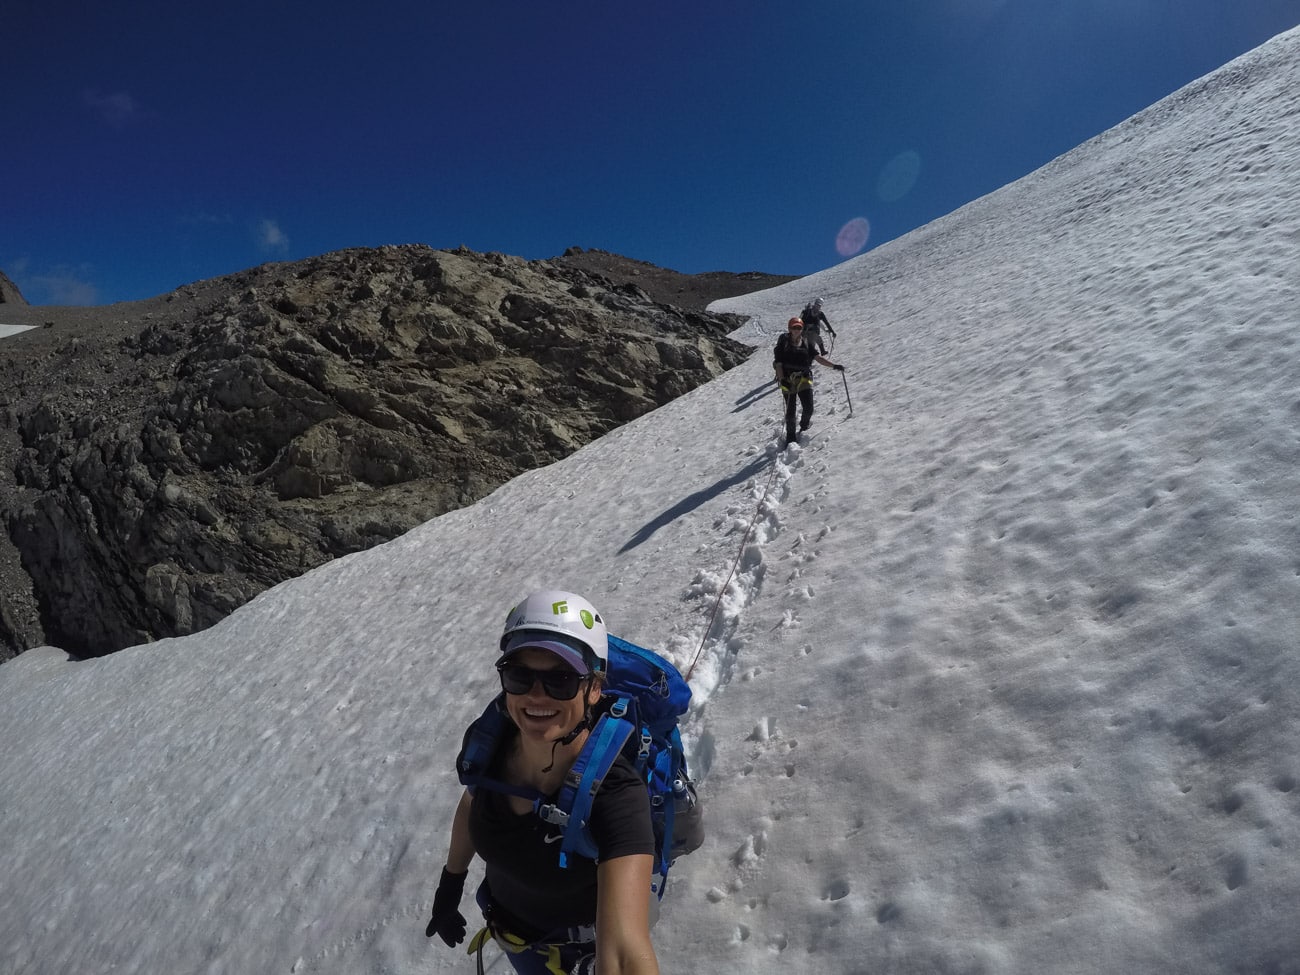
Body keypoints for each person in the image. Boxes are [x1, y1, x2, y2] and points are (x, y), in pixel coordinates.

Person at [426, 590, 661, 975]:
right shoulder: (491, 745)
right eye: (520, 675)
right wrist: (450, 883)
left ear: (595, 688)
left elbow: (623, 952)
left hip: (580, 956)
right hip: (514, 937)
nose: (536, 695)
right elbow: (474, 802)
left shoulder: (617, 795)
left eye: (562, 680)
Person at [774, 317, 844, 446]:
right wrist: (782, 380)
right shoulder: (783, 344)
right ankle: (790, 437)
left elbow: (818, 358)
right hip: (787, 379)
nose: (796, 330)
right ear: (789, 329)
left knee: (809, 408)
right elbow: (778, 364)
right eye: (794, 327)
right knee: (790, 411)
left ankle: (804, 426)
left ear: (802, 328)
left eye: (799, 327)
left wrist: (834, 366)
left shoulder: (806, 343)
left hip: (804, 378)